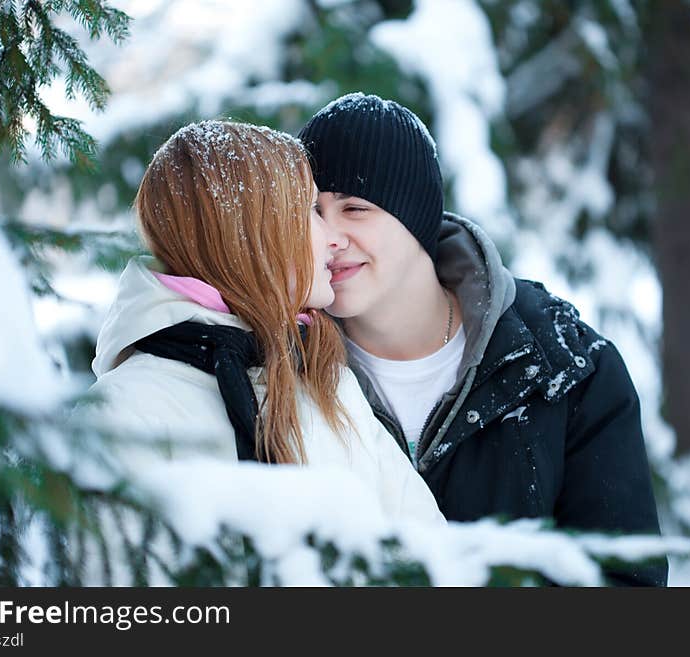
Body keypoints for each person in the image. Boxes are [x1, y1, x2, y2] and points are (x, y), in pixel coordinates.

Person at [298, 93, 667, 586]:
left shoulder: (567, 369)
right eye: (312, 212)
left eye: (355, 208)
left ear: (415, 215)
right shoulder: (282, 370)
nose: (329, 236)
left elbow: (623, 583)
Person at [84, 120, 444, 525]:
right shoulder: (121, 414)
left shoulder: (328, 384)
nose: (333, 237)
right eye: (310, 211)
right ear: (247, 233)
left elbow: (429, 558)